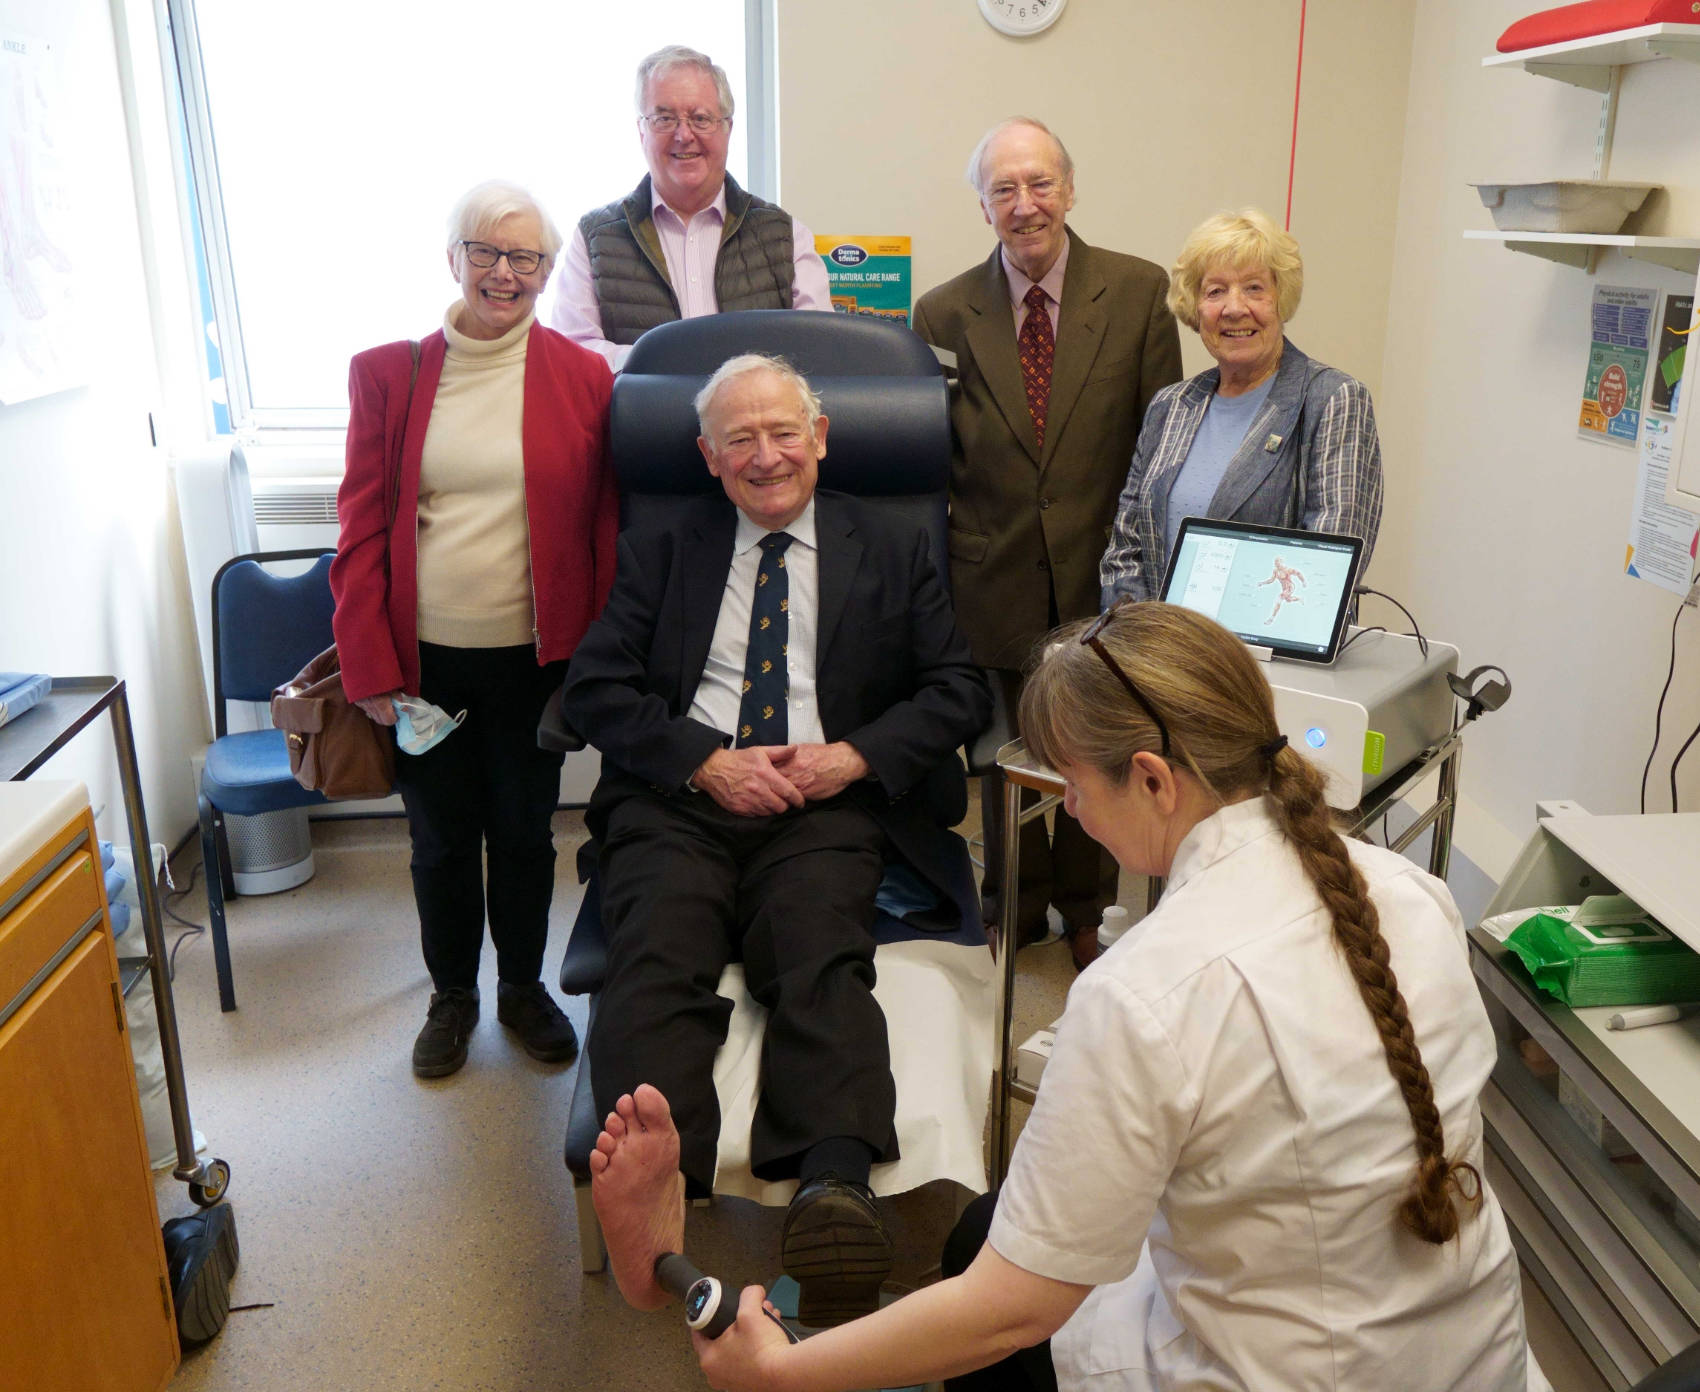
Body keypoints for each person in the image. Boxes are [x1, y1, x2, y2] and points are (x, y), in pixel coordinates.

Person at [654, 598, 1540, 1392]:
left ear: (1153, 779)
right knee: (984, 1230)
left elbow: (1010, 1312)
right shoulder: (1410, 893)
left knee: (996, 1312)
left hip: (1295, 1368)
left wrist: (786, 1373)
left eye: (1074, 784)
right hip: (1465, 1353)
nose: (1070, 809)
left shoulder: (1141, 994)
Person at [560, 353, 990, 1327]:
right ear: (707, 457)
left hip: (820, 799)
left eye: (783, 432)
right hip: (682, 797)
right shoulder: (664, 542)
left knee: (816, 953)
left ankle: (832, 1191)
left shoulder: (886, 542)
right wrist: (705, 759)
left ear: (822, 438)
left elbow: (958, 690)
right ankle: (656, 1183)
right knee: (657, 951)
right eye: (740, 439)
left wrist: (852, 757)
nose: (766, 456)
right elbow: (593, 689)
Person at [331, 180, 618, 1080]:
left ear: (546, 270)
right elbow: (362, 526)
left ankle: (523, 990)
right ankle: (452, 993)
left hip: (534, 662)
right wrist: (368, 664)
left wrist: (600, 663)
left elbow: (605, 526)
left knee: (527, 834)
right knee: (443, 839)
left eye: (525, 257)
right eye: (487, 253)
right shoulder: (392, 373)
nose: (505, 273)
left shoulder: (583, 377)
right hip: (426, 666)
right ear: (453, 259)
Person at [912, 118, 1182, 969]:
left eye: (1039, 184)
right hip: (989, 578)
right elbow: (937, 462)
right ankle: (1011, 904)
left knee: (1098, 755)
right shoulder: (943, 311)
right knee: (1001, 756)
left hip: (1105, 577)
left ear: (1069, 189)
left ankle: (1086, 909)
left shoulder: (1138, 293)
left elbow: (1161, 446)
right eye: (1003, 190)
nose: (1024, 205)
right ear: (983, 204)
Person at [1100, 208, 1384, 608]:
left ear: (1280, 299)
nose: (1234, 309)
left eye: (1254, 288)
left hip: (1269, 660)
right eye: (1215, 292)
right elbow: (1124, 551)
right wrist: (1143, 643)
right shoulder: (1170, 406)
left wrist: (1214, 653)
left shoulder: (1332, 400)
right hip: (1160, 656)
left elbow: (1326, 566)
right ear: (1195, 309)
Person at [547, 45, 832, 370]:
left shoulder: (786, 236)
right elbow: (571, 354)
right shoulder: (594, 239)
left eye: (701, 118)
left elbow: (819, 351)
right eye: (664, 118)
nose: (684, 135)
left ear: (727, 128)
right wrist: (662, 359)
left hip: (753, 421)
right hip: (640, 420)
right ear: (642, 130)